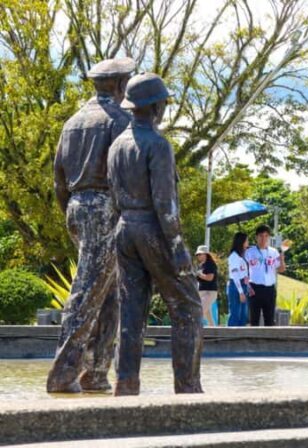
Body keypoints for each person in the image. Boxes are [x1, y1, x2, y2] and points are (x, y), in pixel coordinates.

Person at [107, 72, 203, 395]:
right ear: (155, 107)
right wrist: (177, 247)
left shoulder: (116, 145)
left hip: (124, 230)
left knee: (131, 310)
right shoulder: (158, 145)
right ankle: (188, 388)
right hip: (153, 229)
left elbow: (113, 195)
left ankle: (125, 383)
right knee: (188, 305)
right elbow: (165, 203)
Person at [47, 58, 135, 393]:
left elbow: (58, 180)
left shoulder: (72, 122)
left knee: (110, 293)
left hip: (76, 207)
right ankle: (62, 372)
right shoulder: (119, 121)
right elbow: (125, 174)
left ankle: (96, 372)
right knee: (86, 292)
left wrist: (72, 212)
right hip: (104, 209)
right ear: (119, 84)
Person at [245, 225, 285, 326]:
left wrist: (282, 259)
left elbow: (281, 269)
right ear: (256, 237)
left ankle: (269, 336)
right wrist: (248, 287)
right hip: (255, 288)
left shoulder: (273, 252)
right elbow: (244, 272)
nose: (263, 239)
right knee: (254, 319)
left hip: (270, 289)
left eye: (266, 236)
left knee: (270, 320)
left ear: (269, 237)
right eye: (261, 236)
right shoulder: (249, 252)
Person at [227, 232, 250, 327]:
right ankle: (230, 335)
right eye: (247, 240)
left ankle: (240, 335)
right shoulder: (234, 256)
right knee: (235, 314)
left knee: (243, 316)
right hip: (236, 286)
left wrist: (248, 287)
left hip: (243, 285)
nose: (248, 242)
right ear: (242, 242)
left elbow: (243, 272)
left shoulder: (242, 256)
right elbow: (235, 275)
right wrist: (241, 292)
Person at [195, 246, 218, 327]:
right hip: (201, 292)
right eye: (197, 254)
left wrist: (199, 274)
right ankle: (213, 330)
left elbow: (210, 278)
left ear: (205, 254)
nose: (198, 256)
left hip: (210, 292)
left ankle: (193, 330)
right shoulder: (200, 265)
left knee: (199, 312)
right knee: (208, 317)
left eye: (200, 254)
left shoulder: (210, 264)